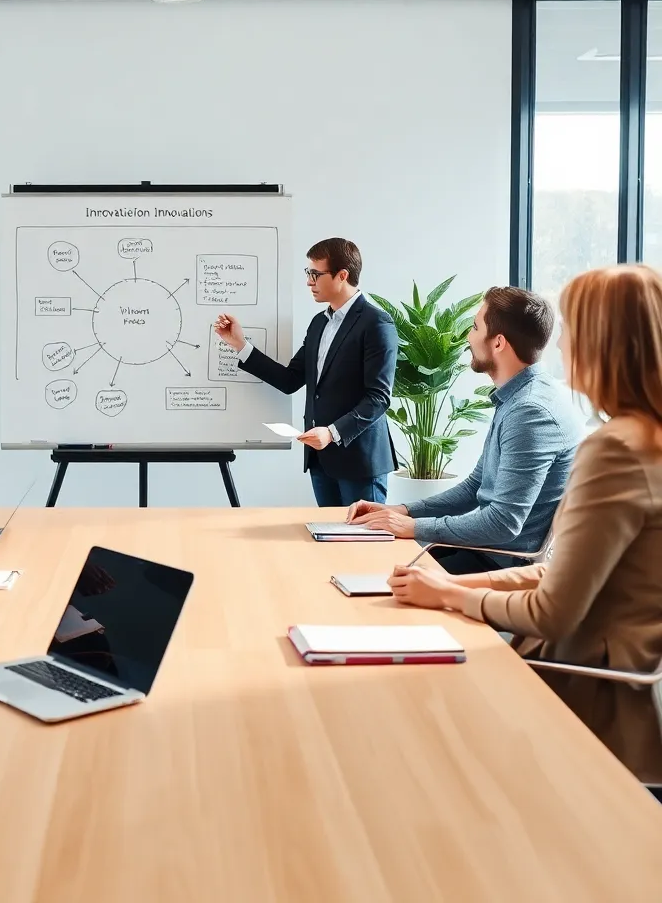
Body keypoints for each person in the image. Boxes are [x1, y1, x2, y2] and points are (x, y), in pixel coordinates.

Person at [388, 265, 662, 784]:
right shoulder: (644, 438)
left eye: (573, 335)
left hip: (585, 688)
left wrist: (450, 595)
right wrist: (447, 584)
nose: (561, 350)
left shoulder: (616, 449)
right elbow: (563, 574)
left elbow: (554, 610)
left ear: (604, 346)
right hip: (615, 673)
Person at [348, 287, 585, 574]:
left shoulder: (530, 411)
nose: (468, 337)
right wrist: (401, 511)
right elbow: (475, 486)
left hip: (496, 565)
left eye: (475, 327)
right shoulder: (520, 396)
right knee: (364, 557)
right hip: (483, 553)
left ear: (498, 343)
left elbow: (503, 523)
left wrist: (413, 527)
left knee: (373, 575)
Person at [214, 237, 398, 506]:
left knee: (362, 543)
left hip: (359, 461)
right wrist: (240, 345)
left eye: (315, 274)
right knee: (326, 543)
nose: (309, 281)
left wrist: (333, 432)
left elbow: (378, 398)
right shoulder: (319, 324)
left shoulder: (376, 323)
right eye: (308, 273)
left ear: (342, 275)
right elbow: (290, 379)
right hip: (320, 460)